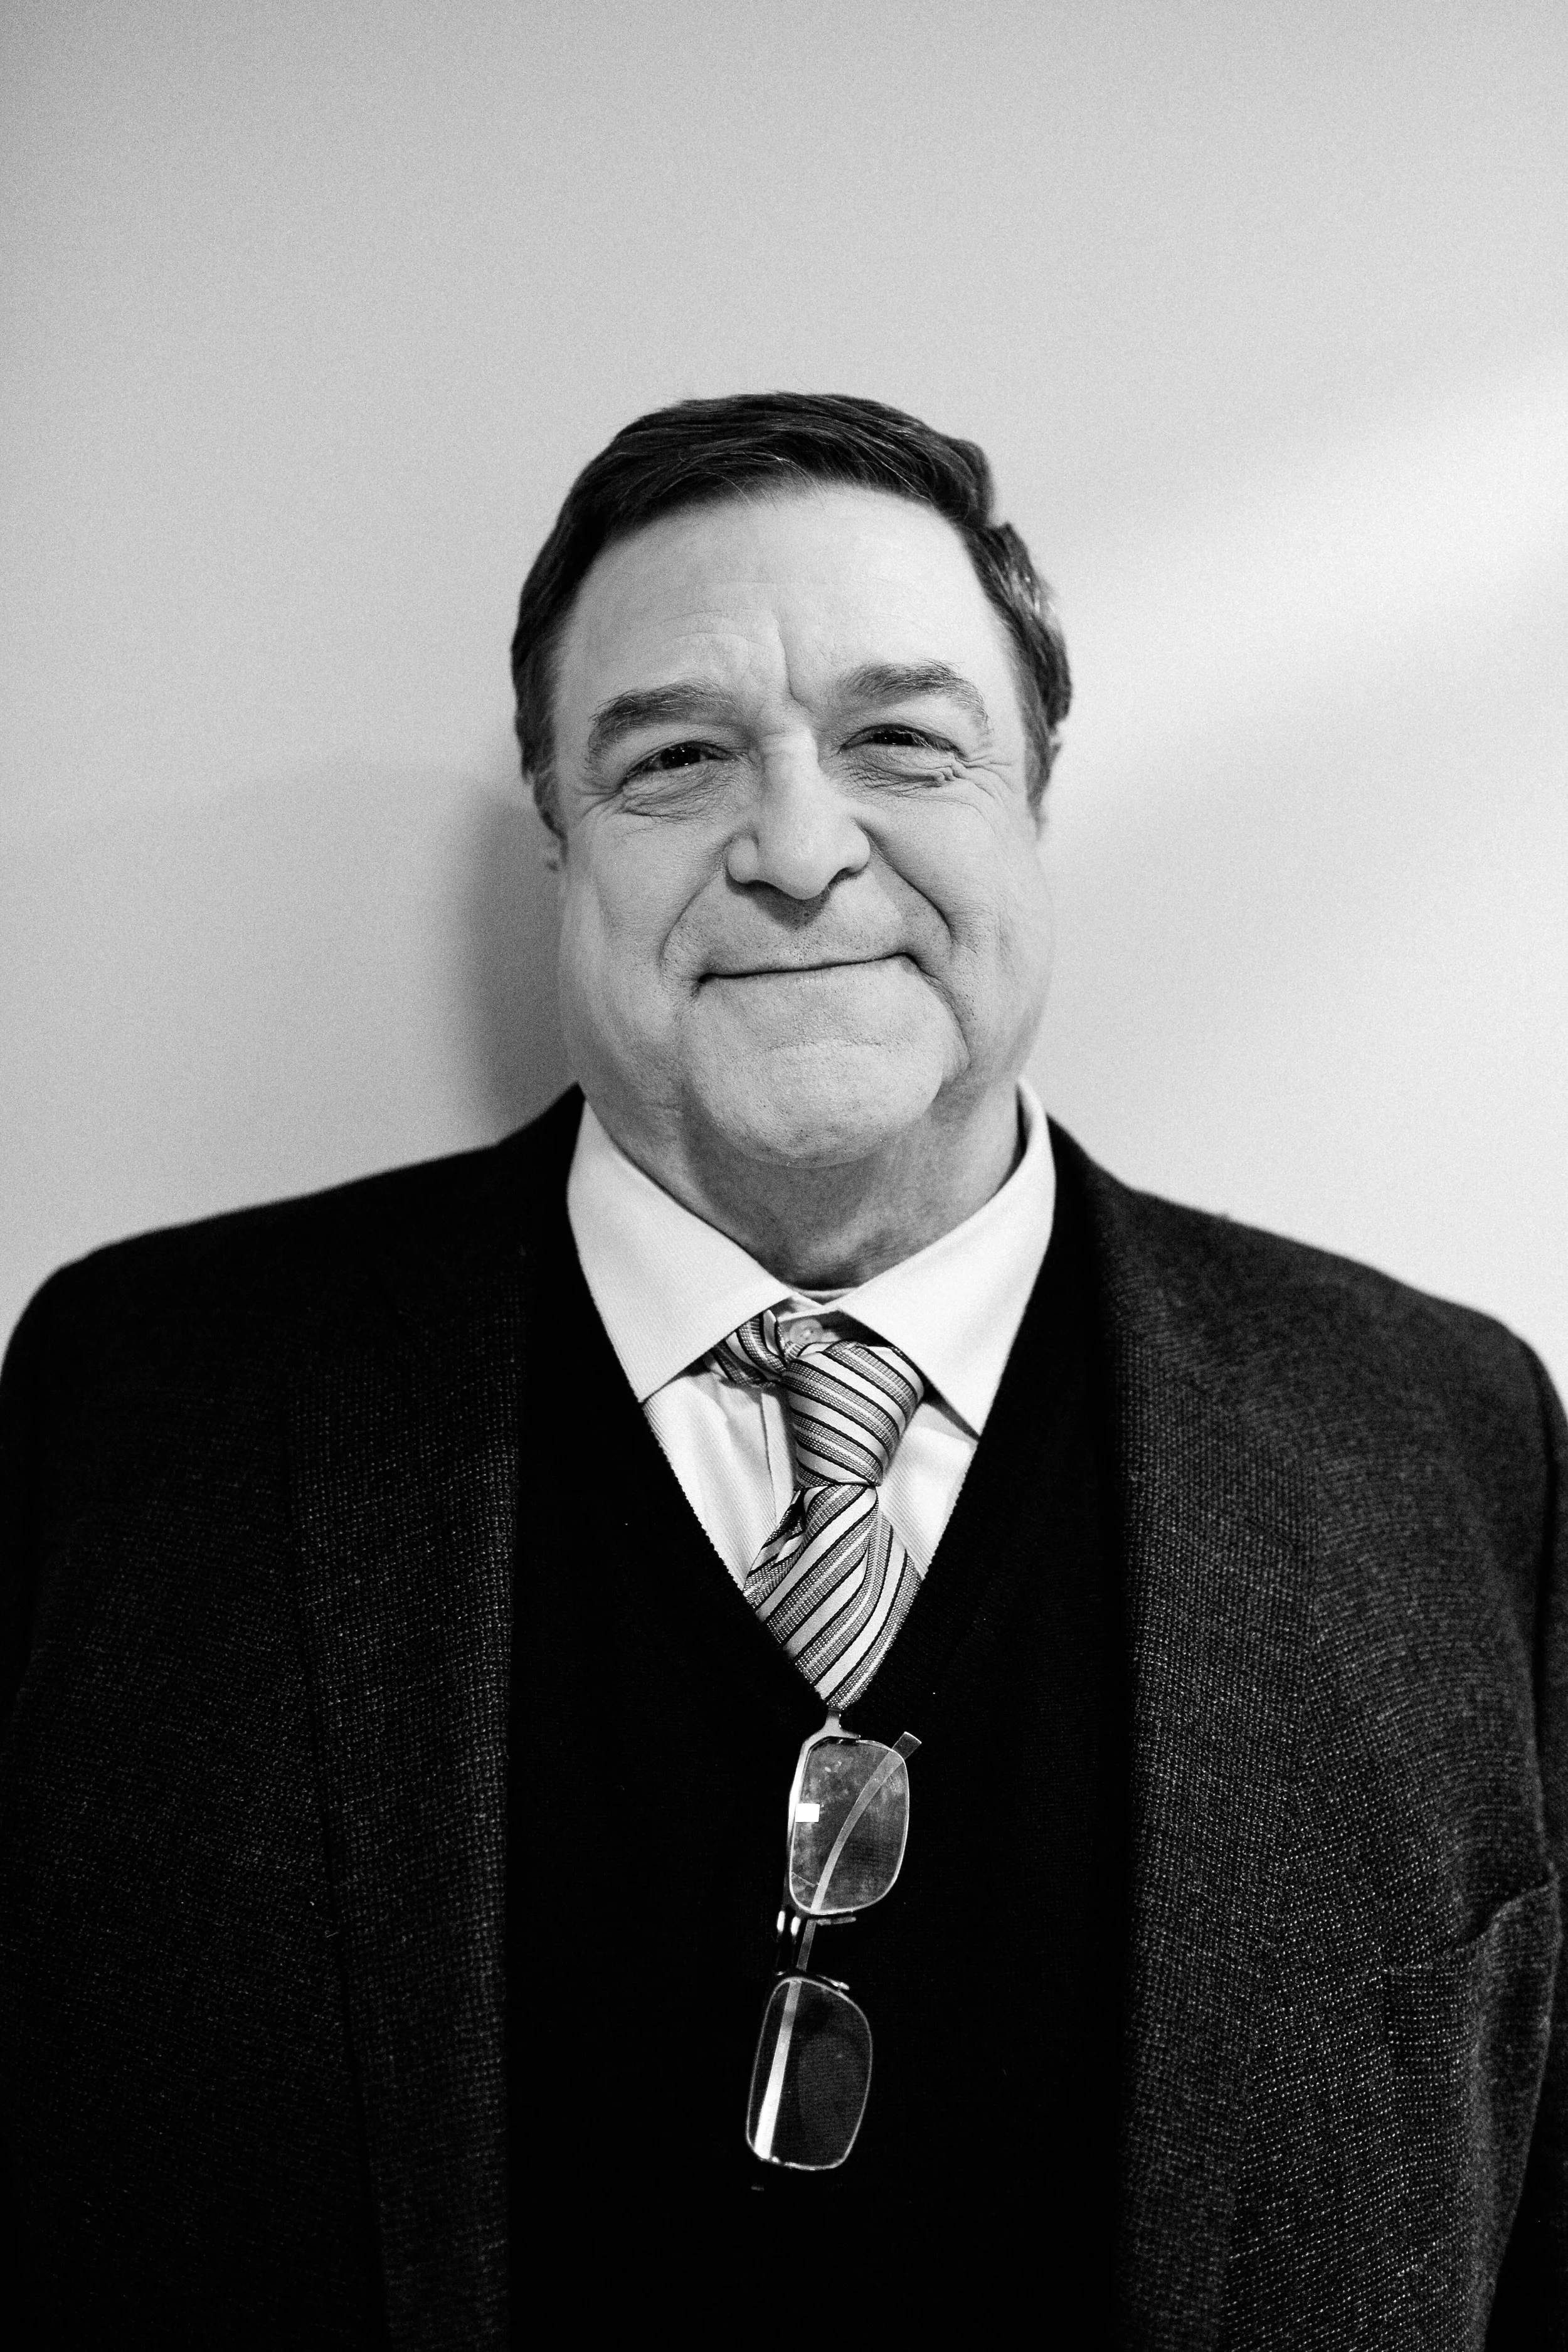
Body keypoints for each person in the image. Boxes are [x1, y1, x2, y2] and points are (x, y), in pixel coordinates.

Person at [0, 392, 1561, 2348]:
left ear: (1032, 805)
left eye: (905, 739)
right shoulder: (140, 1404)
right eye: (674, 757)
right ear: (562, 840)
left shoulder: (1439, 1435)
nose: (801, 849)